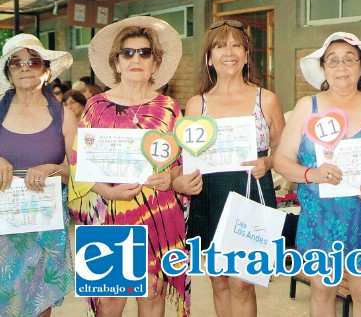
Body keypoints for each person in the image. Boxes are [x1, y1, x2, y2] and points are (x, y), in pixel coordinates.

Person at [68, 16, 200, 317]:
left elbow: (181, 164)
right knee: (109, 301)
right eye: (128, 53)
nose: (136, 59)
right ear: (116, 63)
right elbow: (79, 165)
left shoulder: (169, 108)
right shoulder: (96, 106)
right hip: (111, 213)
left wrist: (171, 178)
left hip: (159, 213)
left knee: (153, 294)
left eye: (144, 52)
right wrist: (110, 194)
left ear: (155, 63)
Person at [273, 32, 361, 317]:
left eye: (349, 59)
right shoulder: (308, 107)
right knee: (321, 290)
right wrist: (311, 174)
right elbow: (281, 160)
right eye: (333, 60)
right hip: (320, 218)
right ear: (324, 69)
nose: (341, 67)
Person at [185, 19, 285, 317]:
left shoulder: (265, 99)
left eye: (235, 45)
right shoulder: (195, 105)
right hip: (209, 194)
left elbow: (283, 148)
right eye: (219, 46)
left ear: (246, 54)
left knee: (243, 282)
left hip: (250, 192)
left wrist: (268, 162)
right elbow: (187, 157)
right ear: (209, 57)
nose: (228, 52)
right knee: (219, 281)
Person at [0, 33, 77, 316]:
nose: (24, 67)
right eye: (15, 63)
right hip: (2, 231)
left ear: (45, 69)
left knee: (37, 307)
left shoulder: (64, 116)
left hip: (45, 229)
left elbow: (79, 174)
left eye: (33, 61)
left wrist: (52, 168)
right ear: (8, 72)